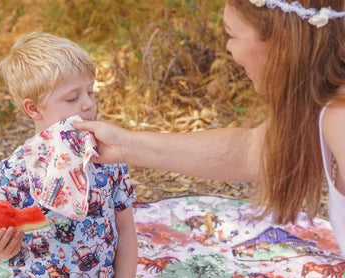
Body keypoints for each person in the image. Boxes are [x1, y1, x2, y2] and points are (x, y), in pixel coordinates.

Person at [73, 0, 345, 255]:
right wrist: (123, 145)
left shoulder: (339, 117)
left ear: (281, 42)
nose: (229, 49)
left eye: (233, 35)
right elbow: (253, 153)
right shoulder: (324, 103)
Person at [0, 31, 138, 277]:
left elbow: (126, 230)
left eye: (91, 92)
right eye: (73, 97)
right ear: (34, 108)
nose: (88, 104)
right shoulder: (13, 170)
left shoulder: (108, 159)